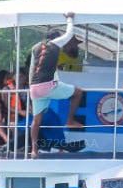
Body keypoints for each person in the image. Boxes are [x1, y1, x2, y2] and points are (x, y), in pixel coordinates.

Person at [29, 12, 86, 158]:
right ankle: (70, 120)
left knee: (36, 121)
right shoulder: (55, 44)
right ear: (55, 39)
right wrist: (69, 18)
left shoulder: (35, 48)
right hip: (48, 86)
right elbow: (69, 33)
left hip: (34, 89)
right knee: (78, 92)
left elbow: (33, 70)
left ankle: (34, 150)